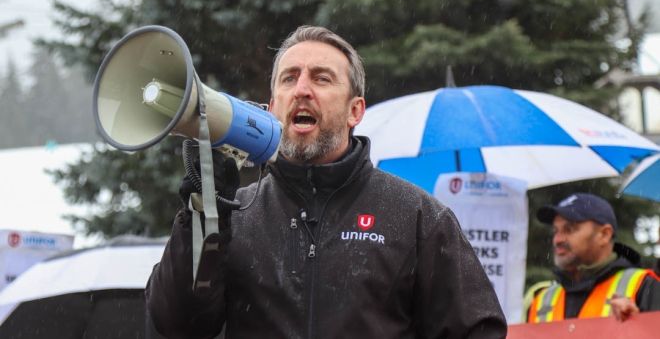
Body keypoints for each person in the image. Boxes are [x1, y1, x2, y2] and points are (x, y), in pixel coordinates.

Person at [146, 25, 507, 338]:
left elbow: (477, 331)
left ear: (355, 111)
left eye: (321, 78)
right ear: (272, 107)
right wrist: (200, 216)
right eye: (289, 78)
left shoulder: (416, 216)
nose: (302, 89)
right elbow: (177, 324)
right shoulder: (236, 214)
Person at [527, 193, 660, 323]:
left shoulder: (645, 286)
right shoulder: (540, 300)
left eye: (569, 229)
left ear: (604, 234)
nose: (558, 239)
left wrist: (641, 326)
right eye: (556, 231)